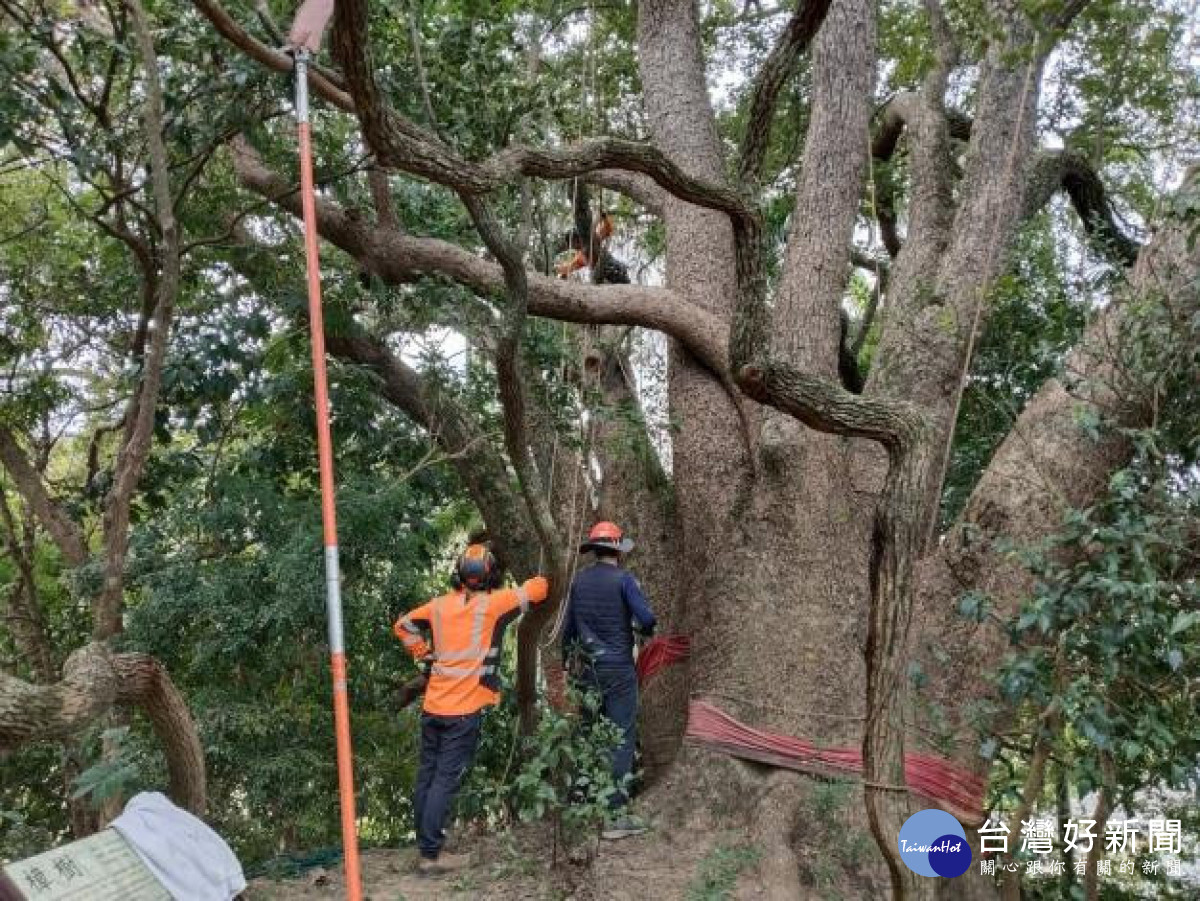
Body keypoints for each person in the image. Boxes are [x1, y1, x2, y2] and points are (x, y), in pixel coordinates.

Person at [394, 543, 549, 874]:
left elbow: (402, 624)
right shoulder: (494, 605)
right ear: (490, 574)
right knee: (444, 781)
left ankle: (425, 846)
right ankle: (431, 856)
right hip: (462, 714)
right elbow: (539, 589)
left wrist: (423, 653)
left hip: (434, 707)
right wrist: (537, 573)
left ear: (459, 574)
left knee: (427, 777)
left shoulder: (437, 607)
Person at [560, 521, 656, 840]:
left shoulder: (579, 582)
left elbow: (569, 631)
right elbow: (647, 619)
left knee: (589, 736)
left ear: (594, 550)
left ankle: (583, 809)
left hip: (586, 670)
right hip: (618, 670)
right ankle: (614, 817)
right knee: (620, 738)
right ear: (617, 551)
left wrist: (565, 663)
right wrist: (644, 632)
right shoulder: (624, 580)